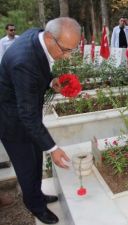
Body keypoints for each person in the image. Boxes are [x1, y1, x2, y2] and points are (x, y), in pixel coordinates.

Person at [0, 17, 81, 224]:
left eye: (72, 50)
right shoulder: (23, 62)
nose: (68, 56)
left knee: (36, 159)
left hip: (25, 113)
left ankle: (37, 194)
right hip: (13, 122)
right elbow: (26, 114)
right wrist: (53, 148)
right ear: (50, 38)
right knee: (27, 166)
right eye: (66, 50)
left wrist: (51, 80)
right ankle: (35, 205)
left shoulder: (37, 36)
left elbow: (39, 67)